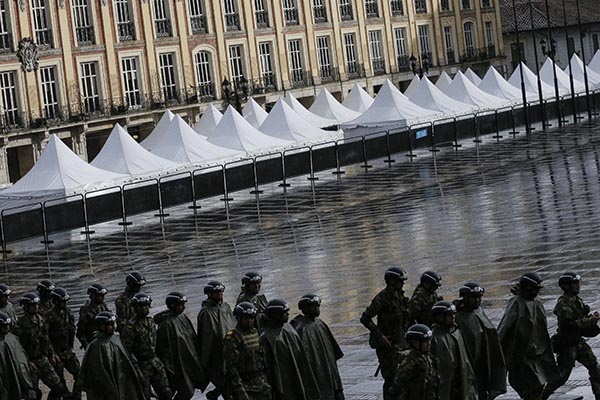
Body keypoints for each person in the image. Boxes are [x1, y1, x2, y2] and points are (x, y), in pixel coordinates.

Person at [498, 272, 559, 400]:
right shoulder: (516, 303)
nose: (537, 292)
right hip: (522, 357)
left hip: (538, 354)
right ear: (527, 287)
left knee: (539, 386)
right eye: (535, 288)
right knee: (530, 390)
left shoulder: (536, 302)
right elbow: (504, 328)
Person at [360, 267, 411, 399]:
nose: (403, 283)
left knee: (403, 378)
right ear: (392, 281)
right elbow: (365, 318)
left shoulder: (401, 297)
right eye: (400, 281)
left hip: (402, 344)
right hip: (387, 346)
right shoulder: (382, 298)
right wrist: (379, 335)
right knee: (391, 379)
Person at [549, 272, 600, 399]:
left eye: (578, 283)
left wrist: (591, 318)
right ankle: (539, 396)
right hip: (568, 345)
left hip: (579, 343)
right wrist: (592, 320)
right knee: (561, 377)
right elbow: (573, 324)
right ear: (567, 286)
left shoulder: (576, 300)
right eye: (575, 284)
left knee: (595, 369)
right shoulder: (563, 304)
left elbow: (581, 318)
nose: (578, 286)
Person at [76, 311, 146, 400]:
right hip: (106, 391)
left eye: (114, 324)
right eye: (110, 325)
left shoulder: (116, 339)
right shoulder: (96, 346)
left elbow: (127, 361)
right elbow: (99, 374)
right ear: (102, 326)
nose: (113, 327)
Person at [13, 293, 71, 400]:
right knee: (33, 394)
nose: (35, 307)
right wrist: (26, 362)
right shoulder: (21, 324)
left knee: (59, 387)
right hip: (30, 363)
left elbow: (46, 339)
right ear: (26, 307)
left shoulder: (42, 320)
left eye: (36, 305)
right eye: (32, 305)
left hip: (43, 359)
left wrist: (52, 354)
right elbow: (18, 347)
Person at [454, 282, 506, 400]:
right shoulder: (457, 317)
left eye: (479, 297)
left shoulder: (479, 312)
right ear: (465, 298)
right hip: (468, 366)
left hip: (483, 365)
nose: (477, 300)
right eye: (474, 298)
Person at [291, 294, 344, 400]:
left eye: (318, 306)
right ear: (305, 308)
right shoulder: (300, 328)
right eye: (313, 306)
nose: (317, 308)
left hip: (330, 377)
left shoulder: (320, 324)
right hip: (316, 380)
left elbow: (333, 354)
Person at [154, 291, 207, 400]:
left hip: (187, 361)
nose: (183, 307)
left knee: (188, 389)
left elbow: (192, 337)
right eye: (180, 304)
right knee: (184, 391)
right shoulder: (165, 324)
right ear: (173, 305)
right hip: (176, 366)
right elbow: (163, 349)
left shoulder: (182, 318)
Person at [121, 293, 172, 400]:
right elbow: (127, 351)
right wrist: (136, 369)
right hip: (141, 365)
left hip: (155, 363)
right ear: (135, 308)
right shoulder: (131, 326)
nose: (144, 308)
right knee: (144, 395)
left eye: (146, 305)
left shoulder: (150, 322)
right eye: (141, 306)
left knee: (166, 392)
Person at [429, 301, 478, 400]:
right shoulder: (434, 338)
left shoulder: (457, 333)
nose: (453, 317)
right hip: (444, 384)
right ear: (439, 317)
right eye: (449, 315)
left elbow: (466, 361)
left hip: (460, 381)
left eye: (453, 314)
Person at [197, 280, 237, 400]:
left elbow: (233, 326)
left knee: (232, 383)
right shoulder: (206, 313)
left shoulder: (226, 307)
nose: (220, 295)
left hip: (230, 352)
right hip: (216, 357)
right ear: (209, 294)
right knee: (226, 387)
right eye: (216, 292)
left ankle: (214, 394)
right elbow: (206, 339)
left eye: (221, 292)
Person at [224, 301, 271, 400]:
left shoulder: (255, 332)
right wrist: (239, 389)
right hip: (245, 384)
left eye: (252, 318)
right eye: (246, 318)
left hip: (261, 382)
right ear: (239, 318)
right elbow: (231, 367)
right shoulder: (233, 337)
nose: (250, 320)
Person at [45, 287, 81, 400]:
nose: (64, 304)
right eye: (62, 302)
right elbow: (45, 337)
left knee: (80, 374)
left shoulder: (68, 313)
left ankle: (75, 397)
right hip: (56, 353)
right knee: (59, 384)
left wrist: (70, 346)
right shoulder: (49, 316)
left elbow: (71, 329)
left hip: (67, 351)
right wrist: (51, 354)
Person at [388, 324, 440, 400]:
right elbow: (396, 387)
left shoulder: (429, 358)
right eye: (425, 342)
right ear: (415, 343)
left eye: (429, 341)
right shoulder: (409, 362)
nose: (428, 344)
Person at [0, 312, 37, 400]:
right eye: (4, 326)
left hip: (21, 377)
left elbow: (22, 356)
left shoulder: (13, 338)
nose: (7, 328)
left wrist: (29, 365)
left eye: (7, 325)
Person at [76, 283, 110, 349]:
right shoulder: (86, 310)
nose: (102, 298)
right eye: (100, 296)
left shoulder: (104, 307)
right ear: (93, 296)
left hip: (105, 341)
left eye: (103, 296)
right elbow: (80, 332)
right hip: (93, 343)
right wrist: (87, 346)